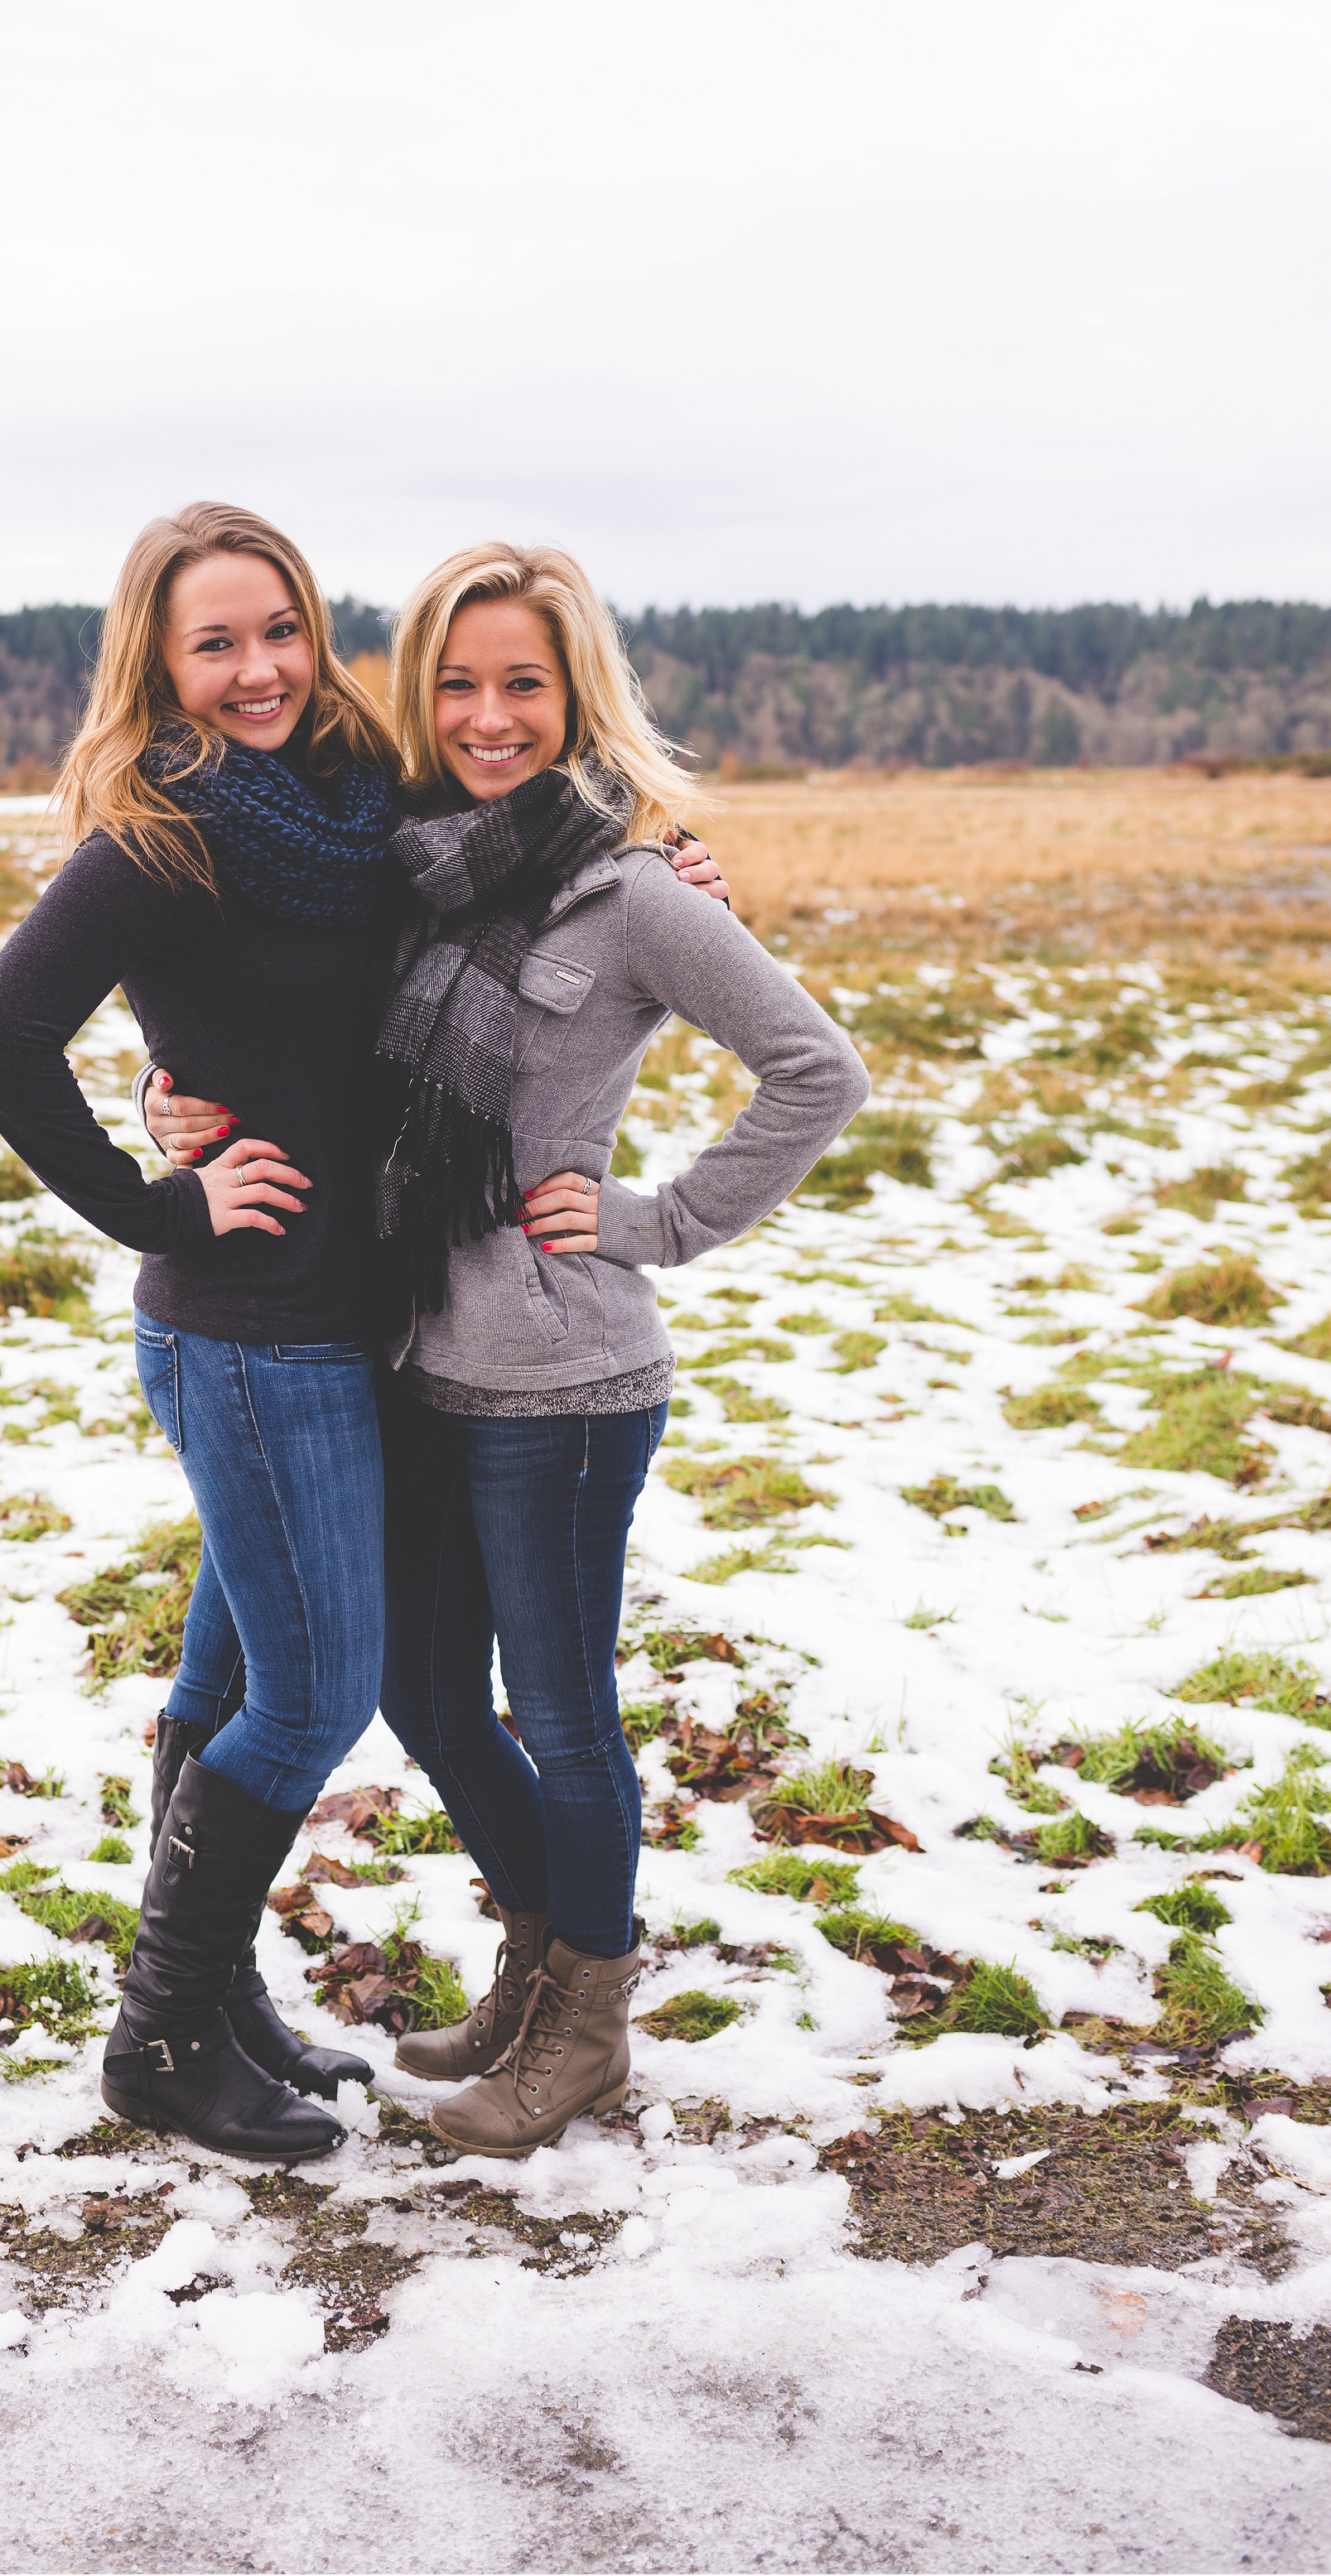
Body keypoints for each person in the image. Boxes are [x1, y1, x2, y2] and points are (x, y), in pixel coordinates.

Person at [0, 504, 726, 2165]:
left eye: (278, 632)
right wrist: (157, 1193)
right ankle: (160, 2033)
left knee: (228, 1674)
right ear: (156, 664)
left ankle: (212, 2001)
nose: (254, 670)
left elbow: (523, 884)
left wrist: (671, 880)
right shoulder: (153, 836)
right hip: (251, 1329)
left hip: (352, 1323)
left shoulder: (366, 811)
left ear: (317, 636)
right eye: (212, 643)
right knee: (308, 1702)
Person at [161, 544, 866, 2159]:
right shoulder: (399, 864)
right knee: (415, 1684)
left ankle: (585, 2029)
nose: (488, 715)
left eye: (523, 684)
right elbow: (296, 1046)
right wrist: (170, 1103)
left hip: (561, 1385)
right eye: (460, 683)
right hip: (411, 1354)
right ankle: (542, 1966)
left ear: (575, 695)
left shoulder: (626, 892)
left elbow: (813, 1071)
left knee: (557, 1712)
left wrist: (655, 1218)